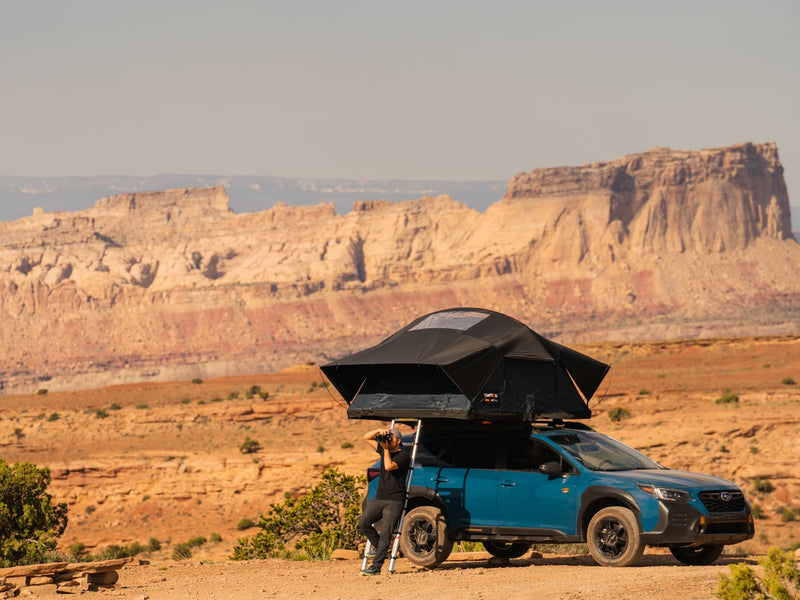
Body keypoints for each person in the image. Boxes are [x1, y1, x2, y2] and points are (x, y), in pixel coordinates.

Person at [358, 426, 411, 575]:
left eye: (392, 437)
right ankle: (378, 548)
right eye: (389, 437)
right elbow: (366, 437)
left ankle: (376, 567)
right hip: (380, 497)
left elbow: (388, 466)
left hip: (394, 500)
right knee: (364, 522)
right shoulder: (383, 450)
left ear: (398, 441)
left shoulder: (404, 456)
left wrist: (385, 448)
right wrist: (379, 431)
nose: (389, 439)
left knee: (386, 533)